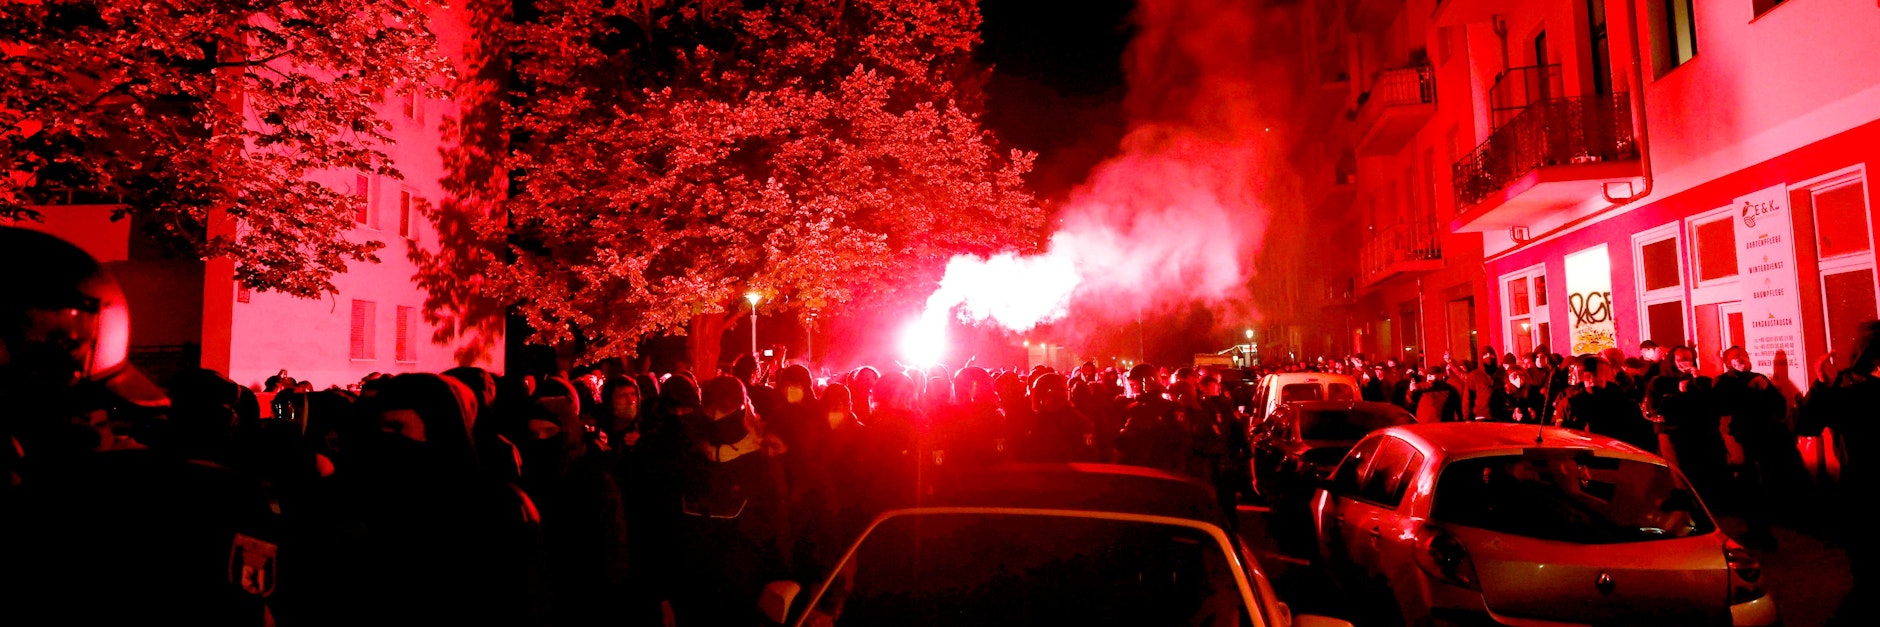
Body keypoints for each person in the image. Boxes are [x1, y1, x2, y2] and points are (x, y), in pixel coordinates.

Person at [1713, 345, 1806, 551]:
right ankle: (1757, 529)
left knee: (1769, 478)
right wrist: (1748, 389)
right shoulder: (1723, 382)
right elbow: (1723, 406)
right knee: (1749, 481)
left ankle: (1771, 522)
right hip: (1741, 439)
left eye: (1744, 355)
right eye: (1736, 357)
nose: (1741, 359)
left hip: (1767, 437)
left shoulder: (1760, 377)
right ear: (1728, 363)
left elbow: (1779, 407)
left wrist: (1767, 389)